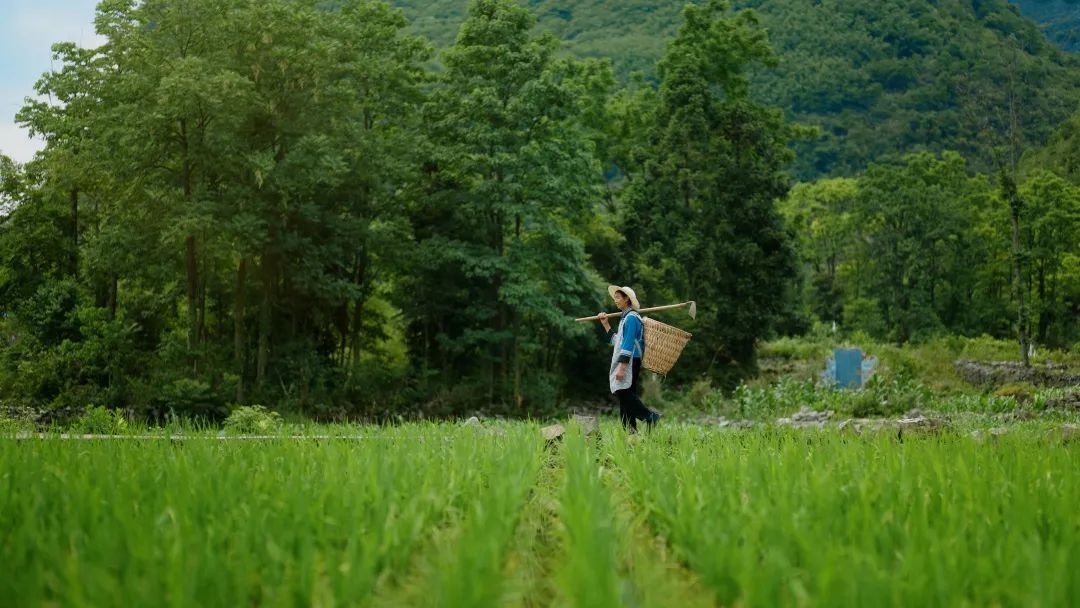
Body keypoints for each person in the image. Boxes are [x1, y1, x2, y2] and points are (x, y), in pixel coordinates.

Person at [598, 285, 661, 432]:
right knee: (626, 394)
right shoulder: (625, 318)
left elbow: (627, 345)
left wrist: (622, 368)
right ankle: (630, 430)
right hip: (629, 360)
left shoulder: (632, 318)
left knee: (623, 392)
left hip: (631, 360)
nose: (615, 300)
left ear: (627, 299)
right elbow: (617, 342)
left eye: (618, 297)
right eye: (614, 298)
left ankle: (649, 416)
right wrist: (606, 324)